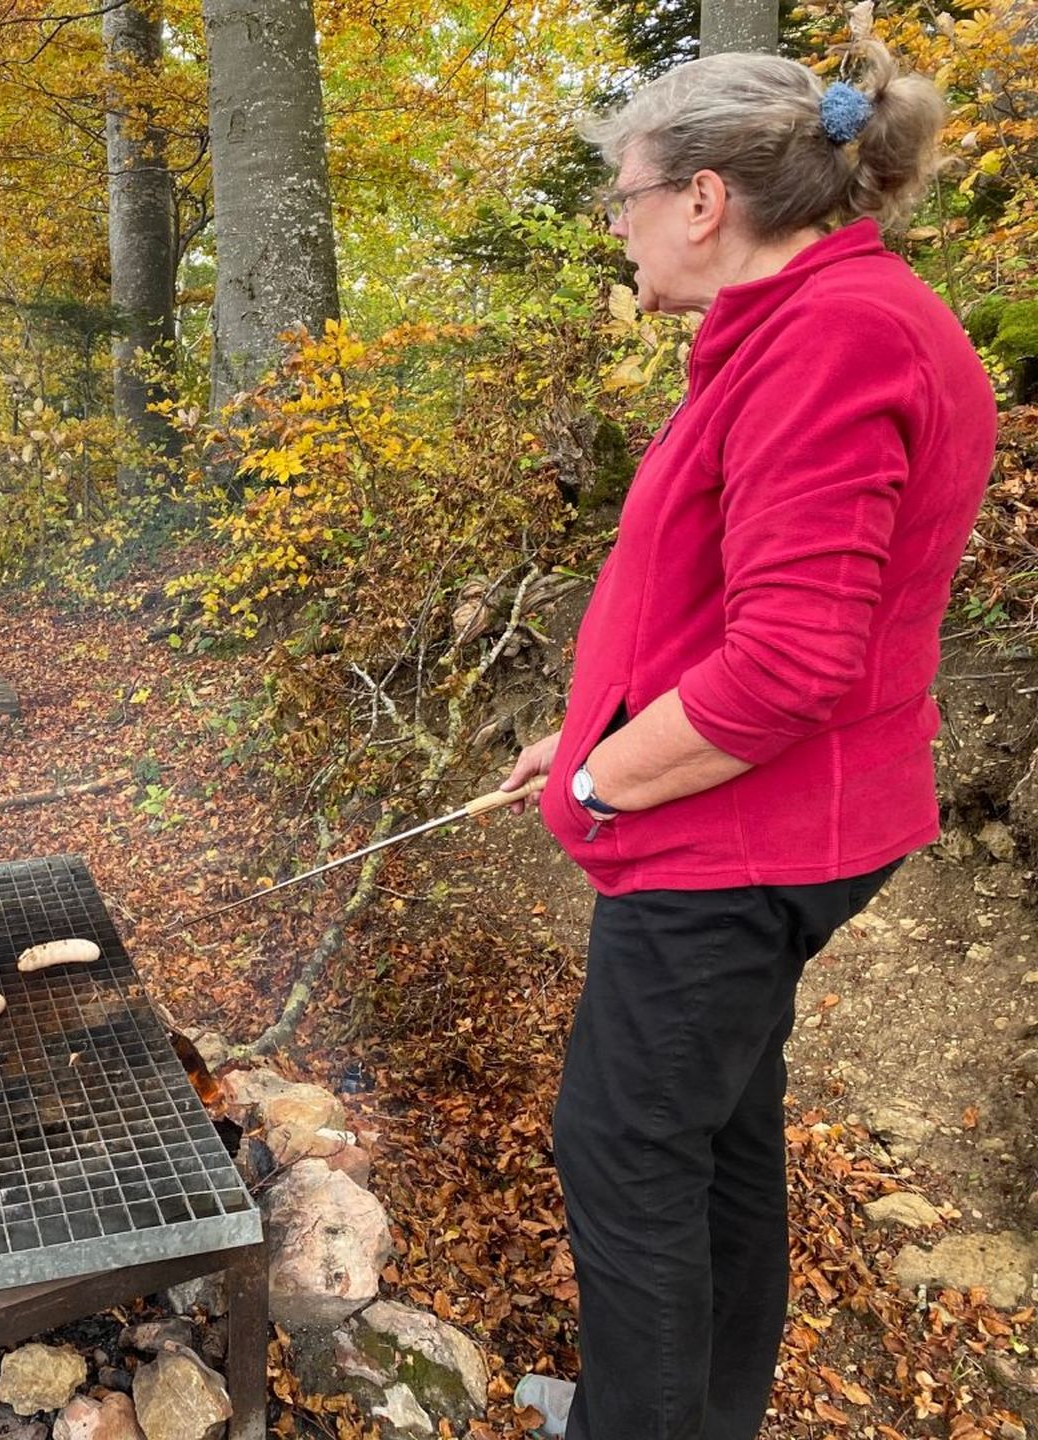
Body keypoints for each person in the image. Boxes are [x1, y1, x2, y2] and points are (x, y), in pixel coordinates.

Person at [503, 40, 998, 1440]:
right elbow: (736, 603)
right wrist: (589, 731)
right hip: (767, 821)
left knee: (628, 1152)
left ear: (705, 198)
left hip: (741, 849)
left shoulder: (837, 339)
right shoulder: (816, 325)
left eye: (628, 195)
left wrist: (608, 779)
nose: (621, 224)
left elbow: (788, 663)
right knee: (712, 1146)